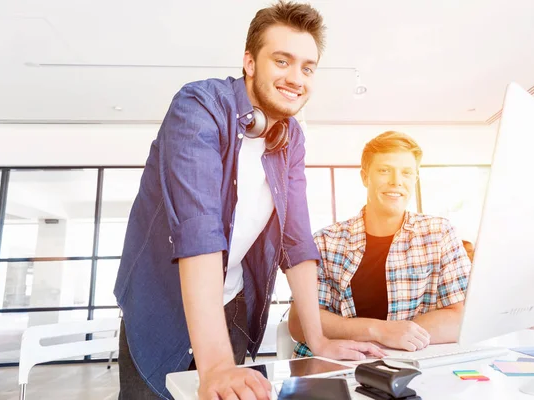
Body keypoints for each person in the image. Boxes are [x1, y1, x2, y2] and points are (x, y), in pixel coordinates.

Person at [113, 2, 383, 399]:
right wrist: (217, 365)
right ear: (250, 63)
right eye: (282, 61)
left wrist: (319, 340)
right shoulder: (198, 107)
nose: (296, 78)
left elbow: (297, 242)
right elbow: (198, 228)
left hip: (231, 306)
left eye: (307, 68)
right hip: (161, 306)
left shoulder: (291, 138)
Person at [288, 131, 472, 357]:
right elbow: (298, 323)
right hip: (336, 366)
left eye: (406, 173)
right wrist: (380, 331)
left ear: (414, 180)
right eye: (385, 170)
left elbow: (461, 315)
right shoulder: (325, 241)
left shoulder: (440, 233)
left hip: (410, 367)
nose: (396, 181)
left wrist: (400, 339)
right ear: (365, 177)